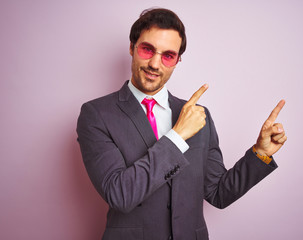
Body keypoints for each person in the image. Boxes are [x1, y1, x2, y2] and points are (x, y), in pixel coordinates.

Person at [77, 8, 287, 240]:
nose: (155, 64)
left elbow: (218, 193)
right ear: (132, 47)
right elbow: (120, 195)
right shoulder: (95, 114)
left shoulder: (198, 116)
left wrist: (260, 154)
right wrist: (177, 136)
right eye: (148, 50)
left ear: (177, 60)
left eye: (168, 55)